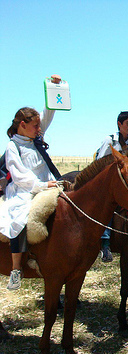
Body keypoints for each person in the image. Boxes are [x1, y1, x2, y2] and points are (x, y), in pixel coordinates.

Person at [0, 74, 62, 290]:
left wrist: (54, 88)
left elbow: (47, 115)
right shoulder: (12, 147)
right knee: (18, 217)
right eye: (35, 126)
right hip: (23, 191)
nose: (39, 129)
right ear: (23, 125)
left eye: (39, 126)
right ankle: (16, 268)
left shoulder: (34, 137)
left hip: (49, 184)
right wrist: (43, 186)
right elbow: (20, 177)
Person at [95, 111, 128, 262]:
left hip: (123, 181)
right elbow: (100, 162)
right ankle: (105, 244)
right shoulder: (110, 140)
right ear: (119, 124)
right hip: (107, 180)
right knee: (108, 205)